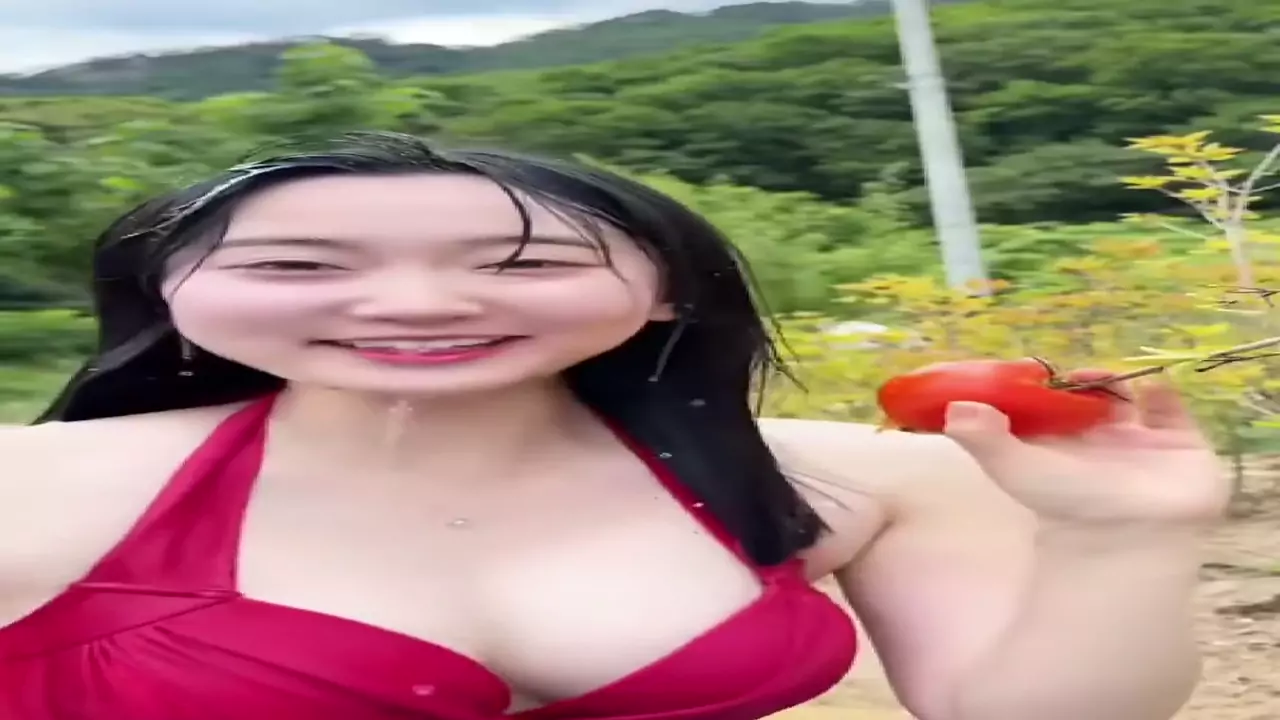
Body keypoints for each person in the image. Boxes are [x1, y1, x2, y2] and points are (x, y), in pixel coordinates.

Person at [0, 132, 1224, 720]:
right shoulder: (37, 487)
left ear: (670, 290)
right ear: (168, 292)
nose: (414, 304)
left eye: (525, 263)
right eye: (299, 265)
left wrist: (1119, 542)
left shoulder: (854, 483)